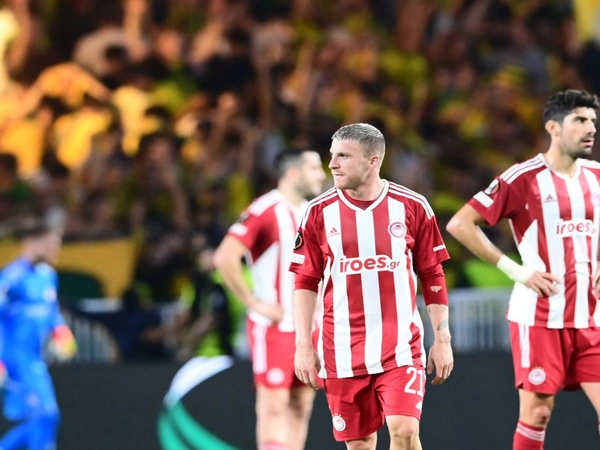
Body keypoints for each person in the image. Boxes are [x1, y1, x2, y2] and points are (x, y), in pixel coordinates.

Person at [446, 89, 600, 450]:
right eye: (580, 120)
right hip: (539, 317)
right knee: (538, 413)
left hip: (592, 316)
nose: (591, 128)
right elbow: (460, 224)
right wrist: (517, 272)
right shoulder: (523, 177)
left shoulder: (597, 176)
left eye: (593, 121)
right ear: (553, 127)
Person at [291, 123, 454, 450]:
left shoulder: (412, 206)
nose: (332, 164)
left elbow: (432, 275)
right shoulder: (318, 212)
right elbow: (306, 281)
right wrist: (303, 345)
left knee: (404, 431)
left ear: (373, 160)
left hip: (400, 347)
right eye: (332, 155)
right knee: (360, 445)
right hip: (341, 350)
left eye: (343, 156)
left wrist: (443, 339)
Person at [213, 147, 326, 450]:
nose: (321, 175)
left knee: (301, 403)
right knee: (273, 403)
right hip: (275, 326)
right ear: (293, 172)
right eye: (314, 168)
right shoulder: (265, 209)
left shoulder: (315, 212)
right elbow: (225, 256)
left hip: (310, 328)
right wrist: (253, 302)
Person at [0, 221, 77, 450]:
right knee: (46, 414)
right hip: (16, 359)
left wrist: (62, 333)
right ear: (31, 243)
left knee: (42, 418)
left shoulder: (48, 276)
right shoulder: (12, 276)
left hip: (36, 358)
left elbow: (51, 313)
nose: (55, 250)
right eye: (50, 244)